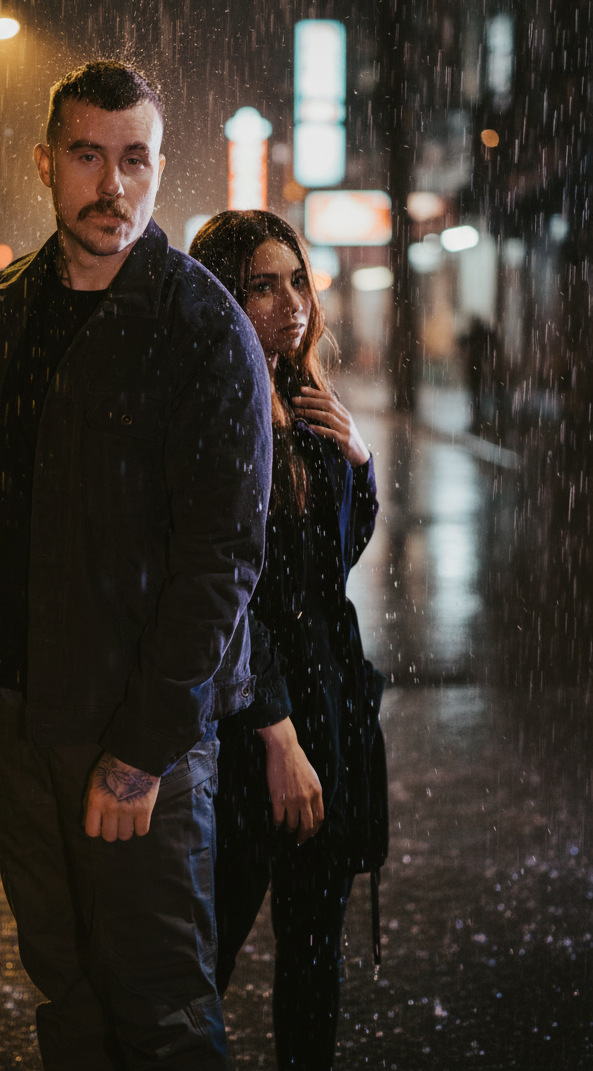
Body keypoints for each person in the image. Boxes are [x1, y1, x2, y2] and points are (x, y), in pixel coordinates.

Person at [0, 62, 273, 1070]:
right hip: (16, 720)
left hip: (131, 726)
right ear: (46, 165)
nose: (113, 185)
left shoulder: (200, 327)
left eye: (135, 158)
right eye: (88, 156)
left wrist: (145, 749)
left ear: (158, 169)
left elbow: (221, 560)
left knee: (157, 1008)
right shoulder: (1, 317)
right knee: (64, 992)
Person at [189, 210, 387, 1071]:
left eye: (297, 281)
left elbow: (326, 569)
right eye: (261, 285)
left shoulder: (304, 405)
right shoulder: (210, 415)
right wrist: (276, 731)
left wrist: (358, 463)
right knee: (207, 950)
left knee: (315, 959)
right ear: (223, 294)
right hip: (244, 724)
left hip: (328, 711)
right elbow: (231, 599)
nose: (289, 303)